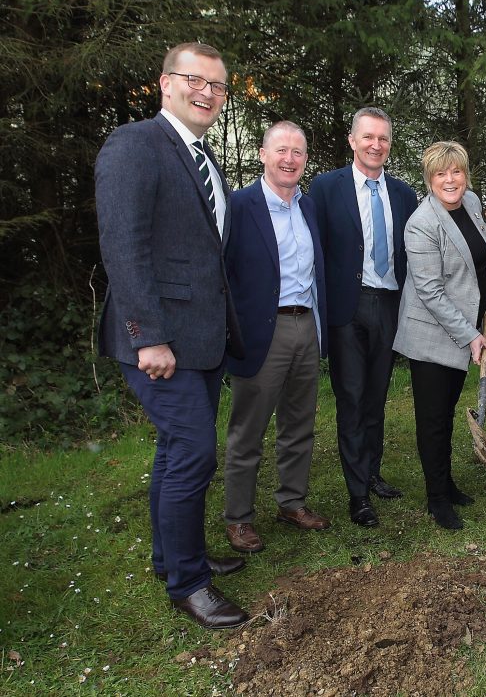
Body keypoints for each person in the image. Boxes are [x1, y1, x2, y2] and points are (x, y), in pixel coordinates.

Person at [95, 42, 248, 629]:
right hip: (161, 343)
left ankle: (170, 557)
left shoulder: (204, 159)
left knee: (174, 451)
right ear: (165, 83)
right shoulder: (135, 145)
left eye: (218, 86)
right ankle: (189, 584)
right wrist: (146, 336)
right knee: (194, 452)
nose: (207, 92)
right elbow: (123, 247)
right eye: (196, 80)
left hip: (202, 340)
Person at [222, 121, 330, 554]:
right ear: (263, 155)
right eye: (281, 150)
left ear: (305, 159)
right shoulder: (241, 206)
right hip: (263, 330)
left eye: (298, 152)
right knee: (248, 430)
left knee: (299, 424)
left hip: (307, 325)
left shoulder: (308, 207)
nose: (289, 159)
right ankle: (239, 519)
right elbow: (225, 274)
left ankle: (291, 503)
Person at [309, 108, 418, 528]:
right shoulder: (325, 188)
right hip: (346, 309)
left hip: (389, 305)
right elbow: (314, 250)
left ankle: (372, 472)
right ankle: (357, 495)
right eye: (368, 137)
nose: (376, 145)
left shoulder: (405, 195)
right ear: (352, 140)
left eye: (384, 138)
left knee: (376, 396)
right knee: (351, 399)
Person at [392, 142, 486, 530]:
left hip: (466, 327)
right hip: (433, 337)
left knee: (448, 411)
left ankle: (447, 483)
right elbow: (431, 291)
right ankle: (437, 499)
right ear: (430, 179)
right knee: (433, 419)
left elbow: (482, 259)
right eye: (441, 174)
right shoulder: (422, 223)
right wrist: (470, 335)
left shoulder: (469, 202)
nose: (450, 180)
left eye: (456, 171)